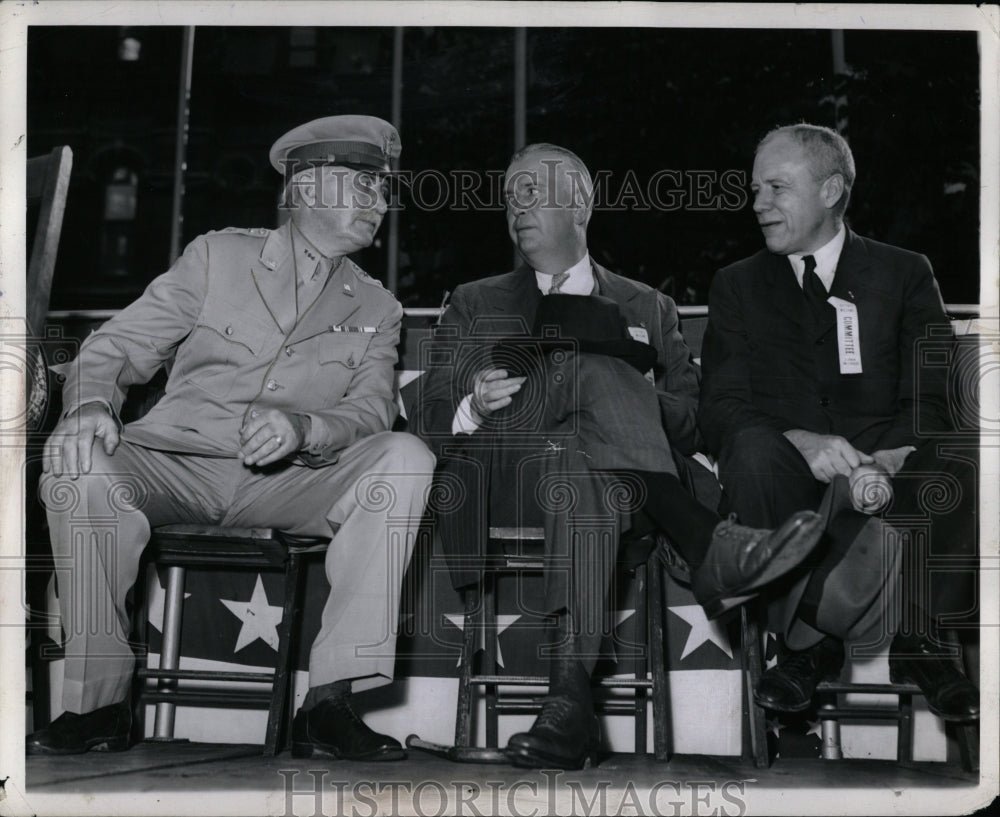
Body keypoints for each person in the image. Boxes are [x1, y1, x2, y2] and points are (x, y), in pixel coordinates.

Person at [28, 115, 436, 760]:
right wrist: (87, 408)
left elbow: (372, 413)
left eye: (382, 192)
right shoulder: (220, 256)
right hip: (175, 467)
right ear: (305, 190)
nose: (379, 204)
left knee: (405, 457)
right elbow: (115, 347)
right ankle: (98, 704)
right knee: (79, 468)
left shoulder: (377, 307)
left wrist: (306, 427)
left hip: (288, 484)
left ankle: (329, 702)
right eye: (363, 188)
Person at [411, 143, 828, 770]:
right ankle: (706, 541)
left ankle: (567, 705)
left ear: (582, 204)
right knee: (592, 368)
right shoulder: (474, 301)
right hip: (505, 478)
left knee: (586, 450)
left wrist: (633, 397)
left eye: (533, 191)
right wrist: (475, 402)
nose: (515, 206)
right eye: (509, 196)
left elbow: (692, 421)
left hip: (609, 492)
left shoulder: (648, 306)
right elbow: (425, 414)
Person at [699, 123, 979, 721]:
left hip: (891, 472)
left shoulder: (905, 273)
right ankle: (811, 641)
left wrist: (898, 452)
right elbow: (720, 406)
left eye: (776, 188)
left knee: (968, 442)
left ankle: (920, 642)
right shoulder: (737, 286)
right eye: (755, 191)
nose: (759, 205)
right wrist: (798, 440)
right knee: (748, 446)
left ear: (830, 190)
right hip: (790, 478)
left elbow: (930, 393)